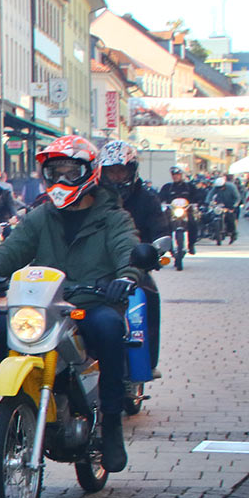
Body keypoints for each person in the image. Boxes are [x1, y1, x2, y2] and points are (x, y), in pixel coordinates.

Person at [0, 135, 137, 472]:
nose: (61, 181)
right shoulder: (42, 216)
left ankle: (112, 421)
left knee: (111, 328)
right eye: (54, 173)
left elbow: (127, 248)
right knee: (3, 323)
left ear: (90, 172)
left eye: (70, 172)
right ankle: (16, 411)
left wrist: (125, 277)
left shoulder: (112, 216)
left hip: (92, 302)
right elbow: (12, 251)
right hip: (46, 305)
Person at [98, 140, 166, 378]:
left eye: (121, 170)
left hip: (136, 265)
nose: (116, 176)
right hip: (98, 267)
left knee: (149, 296)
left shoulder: (146, 199)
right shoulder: (92, 197)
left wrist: (156, 250)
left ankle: (147, 361)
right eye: (111, 171)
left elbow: (160, 229)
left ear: (132, 170)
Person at [158, 166, 199, 254]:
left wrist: (198, 203)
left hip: (186, 211)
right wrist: (158, 204)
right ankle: (168, 246)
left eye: (177, 174)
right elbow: (159, 198)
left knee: (193, 223)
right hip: (171, 211)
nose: (175, 176)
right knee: (164, 225)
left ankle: (191, 244)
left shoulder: (189, 187)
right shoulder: (167, 187)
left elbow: (198, 196)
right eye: (173, 174)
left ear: (181, 175)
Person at [206, 175, 240, 241]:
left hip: (231, 204)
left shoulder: (231, 187)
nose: (220, 189)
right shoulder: (216, 188)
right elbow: (210, 194)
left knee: (231, 218)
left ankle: (233, 233)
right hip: (221, 204)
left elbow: (237, 198)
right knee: (212, 214)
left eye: (221, 187)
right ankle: (213, 230)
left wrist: (234, 206)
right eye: (218, 188)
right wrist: (207, 202)